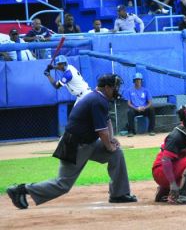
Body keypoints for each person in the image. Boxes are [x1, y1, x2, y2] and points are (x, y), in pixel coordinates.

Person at [6, 74, 137, 209]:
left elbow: (107, 120)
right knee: (63, 184)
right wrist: (109, 145)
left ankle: (119, 194)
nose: (117, 89)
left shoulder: (98, 98)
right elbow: (101, 131)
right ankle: (21, 190)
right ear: (107, 88)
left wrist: (111, 139)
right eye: (115, 87)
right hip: (74, 145)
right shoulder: (97, 100)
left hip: (87, 143)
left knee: (116, 154)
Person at [126, 72, 156, 137]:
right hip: (135, 109)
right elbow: (128, 103)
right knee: (129, 112)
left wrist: (145, 107)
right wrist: (136, 108)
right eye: (136, 80)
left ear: (141, 81)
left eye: (139, 80)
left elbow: (150, 102)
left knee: (151, 109)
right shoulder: (129, 90)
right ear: (134, 81)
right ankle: (131, 131)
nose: (138, 81)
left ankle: (151, 130)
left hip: (144, 109)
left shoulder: (146, 90)